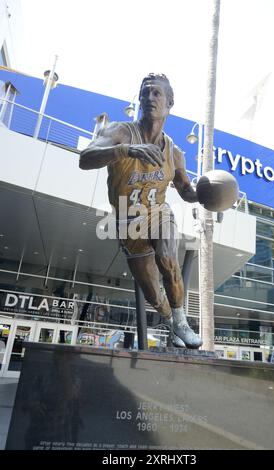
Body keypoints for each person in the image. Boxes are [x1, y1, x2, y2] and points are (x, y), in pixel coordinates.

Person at [80, 73, 202, 349]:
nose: (149, 98)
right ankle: (171, 320)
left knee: (168, 260)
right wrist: (127, 151)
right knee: (154, 296)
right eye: (145, 93)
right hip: (127, 217)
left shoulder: (175, 153)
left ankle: (182, 321)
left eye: (156, 93)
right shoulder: (120, 132)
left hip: (158, 212)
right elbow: (85, 159)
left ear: (169, 103)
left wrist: (206, 195)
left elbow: (186, 190)